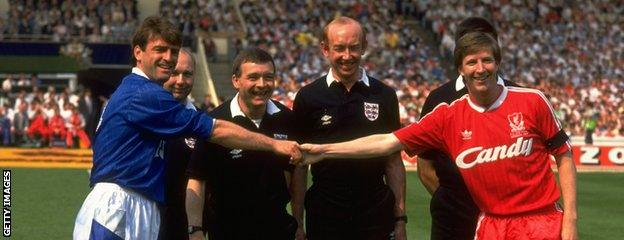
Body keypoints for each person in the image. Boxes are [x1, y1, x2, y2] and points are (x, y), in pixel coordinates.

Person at [301, 32, 578, 240]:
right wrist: (325, 150)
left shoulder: (532, 101)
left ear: (498, 63)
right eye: (472, 62)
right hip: (492, 224)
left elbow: (563, 154)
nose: (480, 68)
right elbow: (386, 142)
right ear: (460, 69)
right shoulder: (447, 116)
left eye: (487, 60)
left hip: (541, 221)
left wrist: (571, 220)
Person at [73, 16, 301, 240]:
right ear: (138, 53)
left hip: (138, 202)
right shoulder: (144, 93)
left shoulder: (140, 91)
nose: (168, 58)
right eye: (160, 50)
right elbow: (215, 130)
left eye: (173, 51)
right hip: (119, 204)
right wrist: (273, 144)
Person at [292, 17, 406, 240]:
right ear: (325, 50)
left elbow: (393, 162)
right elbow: (299, 167)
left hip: (375, 213)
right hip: (325, 213)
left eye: (354, 47)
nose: (347, 56)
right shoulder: (308, 97)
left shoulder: (384, 95)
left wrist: (400, 220)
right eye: (339, 48)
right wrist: (298, 223)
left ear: (364, 47)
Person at [416, 17, 520, 240]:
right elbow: (425, 166)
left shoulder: (521, 96)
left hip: (508, 219)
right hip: (452, 222)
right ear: (459, 55)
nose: (480, 67)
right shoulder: (439, 99)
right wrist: (451, 203)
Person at [185, 48, 306, 240]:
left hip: (277, 229)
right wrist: (195, 229)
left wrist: (298, 221)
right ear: (236, 81)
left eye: (268, 77)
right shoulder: (216, 121)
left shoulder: (287, 119)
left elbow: (298, 173)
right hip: (227, 230)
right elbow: (197, 179)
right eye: (253, 77)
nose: (262, 84)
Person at [159, 48, 198, 240]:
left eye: (187, 74)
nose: (180, 81)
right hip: (139, 221)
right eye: (174, 73)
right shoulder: (138, 115)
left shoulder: (201, 122)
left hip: (181, 229)